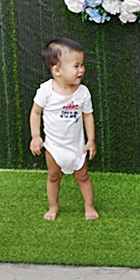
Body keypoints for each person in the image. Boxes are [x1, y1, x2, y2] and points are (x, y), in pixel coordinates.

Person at [30, 38, 98, 220]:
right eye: (76, 66)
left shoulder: (83, 92)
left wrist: (91, 140)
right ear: (57, 70)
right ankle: (53, 207)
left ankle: (89, 207)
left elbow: (88, 115)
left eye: (82, 65)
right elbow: (35, 113)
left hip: (77, 146)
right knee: (53, 176)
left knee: (83, 176)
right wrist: (36, 136)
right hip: (54, 146)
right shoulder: (46, 91)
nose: (81, 70)